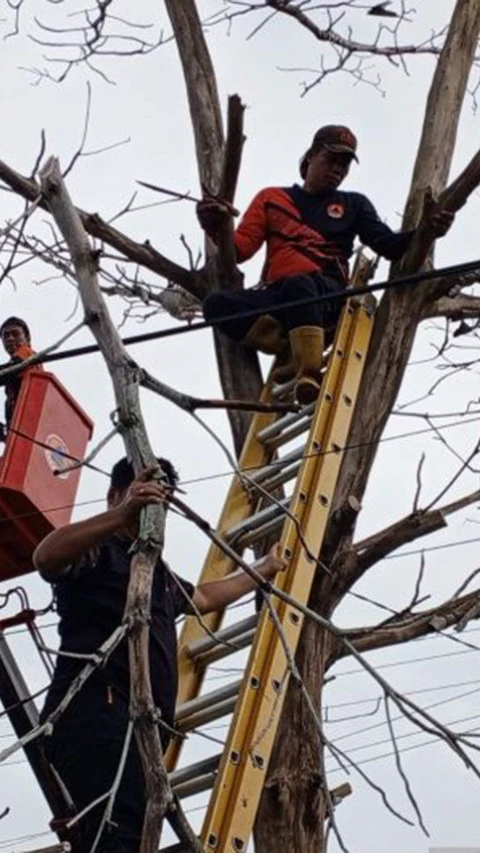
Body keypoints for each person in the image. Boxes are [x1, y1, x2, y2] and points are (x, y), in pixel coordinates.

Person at [34, 457, 285, 853]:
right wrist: (121, 515)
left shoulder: (155, 570)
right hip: (98, 714)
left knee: (129, 834)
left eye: (161, 503)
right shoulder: (99, 550)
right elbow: (46, 558)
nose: (153, 510)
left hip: (141, 727)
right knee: (114, 834)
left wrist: (266, 568)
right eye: (143, 495)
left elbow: (203, 597)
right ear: (115, 494)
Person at [197, 124, 455, 404]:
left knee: (300, 283)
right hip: (280, 296)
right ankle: (287, 342)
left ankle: (308, 371)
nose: (338, 170)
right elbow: (238, 250)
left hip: (326, 295)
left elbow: (389, 246)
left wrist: (426, 232)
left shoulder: (353, 204)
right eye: (331, 160)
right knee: (216, 305)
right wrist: (216, 227)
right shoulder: (272, 199)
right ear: (310, 156)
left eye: (344, 165)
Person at [0, 316, 41, 430]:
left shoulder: (26, 352)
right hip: (19, 420)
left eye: (15, 334)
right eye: (6, 336)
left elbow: (8, 372)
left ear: (27, 338)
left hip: (26, 415)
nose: (10, 338)